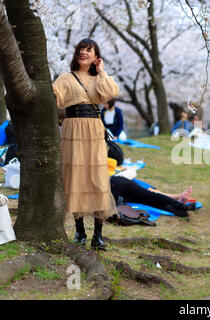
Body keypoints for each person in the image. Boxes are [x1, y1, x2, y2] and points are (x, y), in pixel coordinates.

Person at [53, 38, 119, 250]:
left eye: (89, 50)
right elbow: (51, 98)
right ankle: (80, 230)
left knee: (98, 179)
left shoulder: (99, 78)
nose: (84, 52)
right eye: (81, 49)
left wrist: (101, 70)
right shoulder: (65, 78)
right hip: (71, 129)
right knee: (75, 178)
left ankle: (98, 235)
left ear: (95, 55)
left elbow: (110, 93)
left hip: (93, 130)